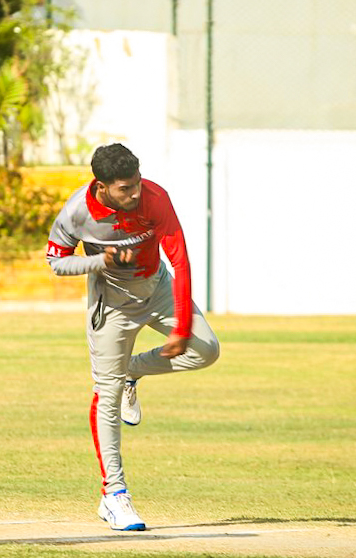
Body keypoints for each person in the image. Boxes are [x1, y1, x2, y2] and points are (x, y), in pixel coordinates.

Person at [46, 143, 220, 531]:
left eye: (137, 183)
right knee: (105, 392)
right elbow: (56, 261)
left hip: (157, 288)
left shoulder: (155, 198)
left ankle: (131, 371)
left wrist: (181, 329)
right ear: (102, 187)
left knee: (206, 349)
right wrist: (99, 260)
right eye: (125, 188)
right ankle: (114, 495)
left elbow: (180, 259)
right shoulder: (76, 212)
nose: (135, 193)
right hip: (111, 303)